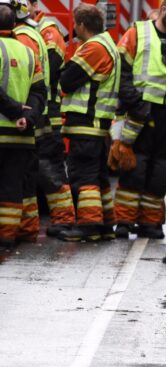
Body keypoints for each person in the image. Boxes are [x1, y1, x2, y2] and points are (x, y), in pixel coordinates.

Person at [111, 0, 166, 240]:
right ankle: (124, 221)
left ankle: (150, 223)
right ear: (163, 10)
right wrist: (134, 101)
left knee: (160, 174)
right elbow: (121, 70)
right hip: (140, 115)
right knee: (134, 169)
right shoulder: (137, 33)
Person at [57, 3, 120, 242]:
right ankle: (104, 224)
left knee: (84, 176)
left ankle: (89, 226)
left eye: (75, 24)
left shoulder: (94, 48)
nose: (74, 28)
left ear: (82, 25)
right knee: (98, 176)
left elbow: (68, 80)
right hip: (97, 124)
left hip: (86, 122)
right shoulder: (107, 44)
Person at [0, 0, 46, 248]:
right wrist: (27, 117)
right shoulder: (28, 52)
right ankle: (6, 237)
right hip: (21, 136)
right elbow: (40, 91)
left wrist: (14, 109)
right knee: (12, 188)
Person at [31, 0, 76, 237]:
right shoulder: (31, 30)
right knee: (32, 167)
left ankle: (64, 218)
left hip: (47, 114)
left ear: (33, 5)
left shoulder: (49, 31)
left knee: (50, 167)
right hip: (37, 111)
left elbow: (49, 69)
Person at [13, 0, 48, 242]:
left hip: (16, 121)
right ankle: (26, 228)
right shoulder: (33, 35)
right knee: (25, 176)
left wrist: (21, 113)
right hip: (31, 117)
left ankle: (21, 229)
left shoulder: (21, 40)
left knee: (18, 179)